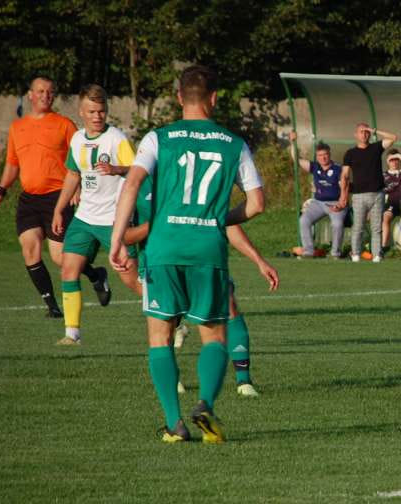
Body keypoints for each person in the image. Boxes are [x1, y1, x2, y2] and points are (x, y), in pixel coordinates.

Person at [109, 65, 265, 443]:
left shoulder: (158, 138)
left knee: (160, 337)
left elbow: (132, 182)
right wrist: (214, 220)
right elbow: (257, 204)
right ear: (214, 98)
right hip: (206, 249)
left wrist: (117, 239)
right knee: (213, 336)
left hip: (162, 248)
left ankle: (174, 423)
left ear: (179, 98)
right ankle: (206, 404)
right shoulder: (233, 144)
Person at [123, 177, 278, 399]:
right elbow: (126, 235)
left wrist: (259, 260)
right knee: (166, 322)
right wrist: (156, 224)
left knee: (228, 304)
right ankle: (172, 381)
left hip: (202, 258)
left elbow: (224, 224)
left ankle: (243, 380)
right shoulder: (138, 184)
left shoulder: (197, 179)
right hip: (160, 262)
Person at [0, 76, 109, 318]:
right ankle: (53, 307)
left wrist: (78, 189)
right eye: (41, 91)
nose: (45, 95)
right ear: (30, 95)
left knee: (60, 257)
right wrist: (1, 190)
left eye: (50, 92)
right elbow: (12, 163)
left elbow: (80, 159)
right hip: (29, 200)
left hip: (57, 197)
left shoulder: (64, 125)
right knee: (30, 248)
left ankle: (97, 275)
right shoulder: (17, 127)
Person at [51, 84, 142, 345]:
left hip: (115, 220)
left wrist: (116, 168)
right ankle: (72, 334)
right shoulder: (77, 139)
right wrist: (59, 209)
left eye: (101, 111)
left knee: (132, 281)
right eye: (91, 111)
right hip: (85, 217)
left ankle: (174, 318)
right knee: (68, 269)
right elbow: (72, 174)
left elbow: (137, 170)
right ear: (82, 112)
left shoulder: (117, 139)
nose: (97, 116)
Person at [288, 132, 349, 259]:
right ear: (317, 156)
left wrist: (341, 203)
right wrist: (293, 142)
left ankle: (335, 253)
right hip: (318, 203)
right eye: (320, 155)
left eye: (325, 155)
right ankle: (309, 251)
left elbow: (345, 187)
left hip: (335, 203)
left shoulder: (338, 169)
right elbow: (296, 159)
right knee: (303, 220)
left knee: (337, 224)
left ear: (329, 154)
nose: (323, 158)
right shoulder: (315, 167)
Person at [342, 123, 397, 262]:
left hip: (377, 195)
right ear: (356, 135)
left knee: (376, 227)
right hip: (359, 196)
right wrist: (343, 195)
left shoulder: (376, 148)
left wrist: (375, 130)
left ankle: (377, 255)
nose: (364, 134)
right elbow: (345, 176)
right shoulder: (350, 153)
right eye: (361, 131)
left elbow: (393, 137)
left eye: (366, 132)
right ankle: (355, 254)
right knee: (358, 227)